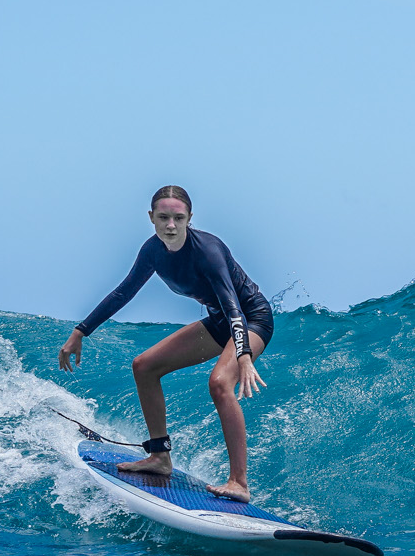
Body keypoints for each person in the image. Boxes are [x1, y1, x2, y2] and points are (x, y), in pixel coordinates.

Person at [58, 186, 273, 502]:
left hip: (250, 319)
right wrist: (80, 331)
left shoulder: (208, 251)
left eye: (178, 218)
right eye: (163, 218)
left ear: (189, 218)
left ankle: (238, 482)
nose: (171, 225)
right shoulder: (152, 251)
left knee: (219, 383)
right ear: (151, 218)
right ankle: (159, 457)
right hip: (218, 321)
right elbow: (123, 292)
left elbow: (233, 307)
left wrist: (243, 355)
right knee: (144, 366)